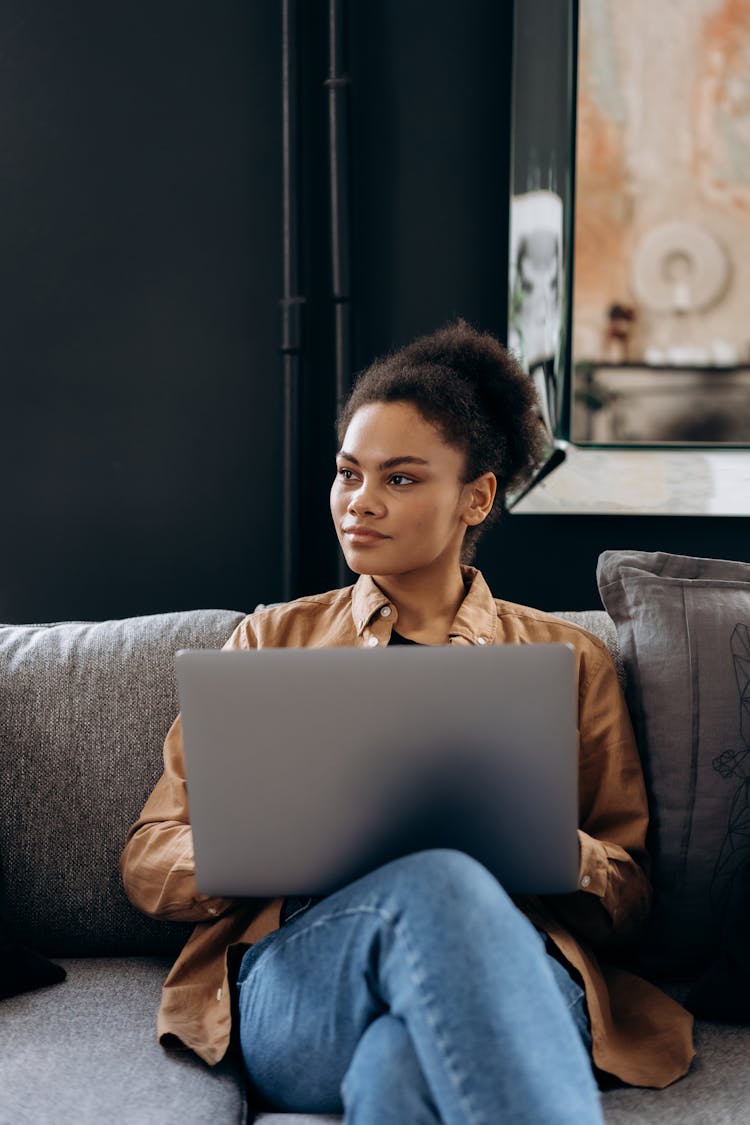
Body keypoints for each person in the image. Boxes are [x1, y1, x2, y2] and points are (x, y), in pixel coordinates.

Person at [121, 321, 694, 1124]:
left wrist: (552, 848)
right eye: (349, 473)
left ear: (477, 497)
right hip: (308, 981)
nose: (360, 501)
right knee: (435, 880)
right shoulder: (269, 640)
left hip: (513, 970)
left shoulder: (567, 661)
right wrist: (263, 841)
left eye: (399, 479)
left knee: (399, 1069)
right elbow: (147, 859)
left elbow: (629, 898)